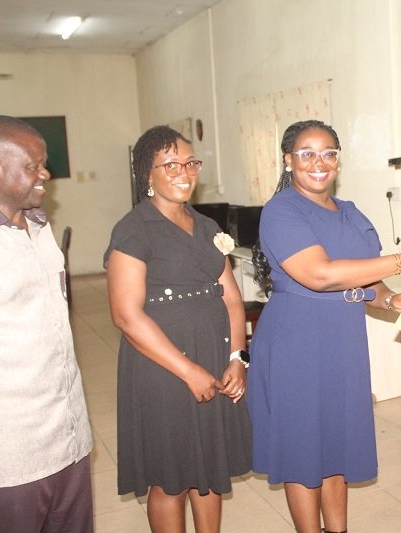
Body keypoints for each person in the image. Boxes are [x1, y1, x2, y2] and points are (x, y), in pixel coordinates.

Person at [247, 119, 401, 533]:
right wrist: (400, 261)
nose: (319, 162)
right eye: (307, 154)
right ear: (288, 160)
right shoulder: (282, 210)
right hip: (297, 341)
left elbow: (365, 278)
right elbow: (319, 275)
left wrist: (389, 298)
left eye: (328, 153)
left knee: (335, 441)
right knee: (303, 448)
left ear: (338, 159)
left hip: (342, 341)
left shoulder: (351, 212)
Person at [105, 126, 252, 533]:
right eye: (170, 165)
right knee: (171, 477)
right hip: (163, 365)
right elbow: (126, 315)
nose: (183, 172)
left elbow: (232, 298)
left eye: (190, 163)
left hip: (213, 357)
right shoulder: (134, 229)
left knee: (209, 468)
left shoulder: (206, 226)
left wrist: (237, 358)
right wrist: (188, 371)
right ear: (146, 174)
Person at [0, 115, 93, 532]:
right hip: (11, 451)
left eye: (43, 163)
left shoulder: (37, 224)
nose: (45, 174)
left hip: (69, 436)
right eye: (32, 166)